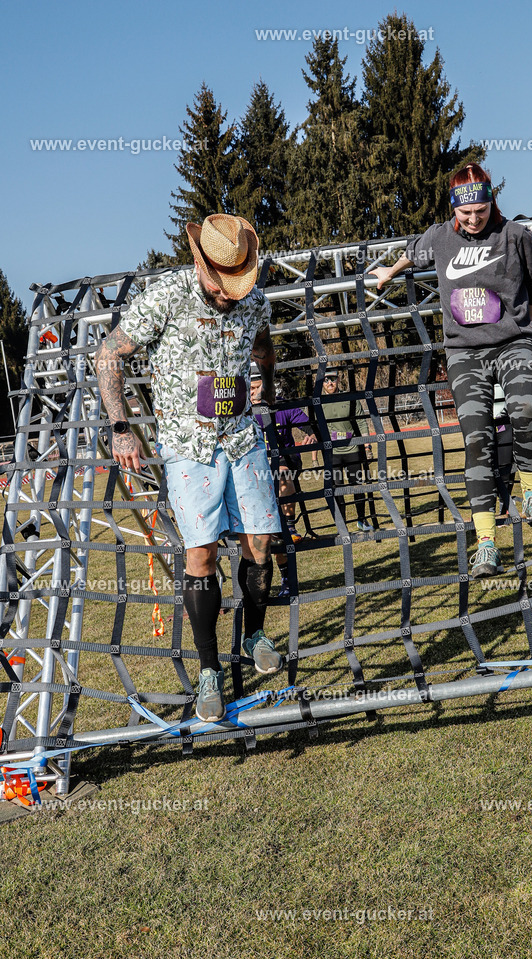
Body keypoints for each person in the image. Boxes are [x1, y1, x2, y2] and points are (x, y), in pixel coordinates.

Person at [94, 213, 284, 724]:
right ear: (201, 265)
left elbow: (263, 345)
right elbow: (108, 354)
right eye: (220, 286)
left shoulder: (254, 300)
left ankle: (255, 636)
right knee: (199, 553)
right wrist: (120, 426)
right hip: (188, 446)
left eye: (235, 286)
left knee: (260, 542)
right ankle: (208, 671)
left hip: (243, 437)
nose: (227, 295)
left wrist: (266, 380)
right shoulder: (167, 295)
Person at [369, 162, 532, 578]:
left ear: (492, 202)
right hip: (464, 353)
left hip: (512, 343)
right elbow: (410, 252)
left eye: (481, 211)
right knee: (477, 436)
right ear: (454, 206)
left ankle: (531, 495)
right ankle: (486, 544)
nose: (473, 220)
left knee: (525, 409)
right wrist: (388, 272)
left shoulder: (516, 236)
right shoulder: (439, 236)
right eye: (465, 213)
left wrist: (529, 334)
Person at [250, 364, 317, 596]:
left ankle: (290, 524)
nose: (253, 393)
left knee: (281, 472)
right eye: (249, 389)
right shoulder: (245, 412)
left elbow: (303, 421)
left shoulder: (281, 405)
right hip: (256, 472)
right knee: (268, 537)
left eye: (257, 388)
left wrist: (311, 432)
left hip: (284, 463)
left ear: (266, 387)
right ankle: (282, 581)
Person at [317, 368, 374, 532]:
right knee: (337, 489)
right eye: (326, 380)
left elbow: (362, 422)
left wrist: (367, 445)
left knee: (357, 486)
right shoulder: (318, 402)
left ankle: (362, 520)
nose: (329, 383)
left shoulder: (349, 398)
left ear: (338, 380)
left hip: (352, 450)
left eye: (332, 379)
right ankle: (342, 525)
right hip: (333, 454)